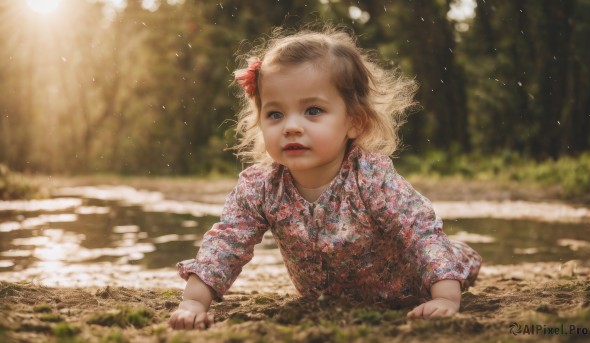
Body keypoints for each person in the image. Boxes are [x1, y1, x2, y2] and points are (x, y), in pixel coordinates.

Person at [168, 25, 481, 330]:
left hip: (410, 287)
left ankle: (458, 258)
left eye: (313, 110)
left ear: (354, 122)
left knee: (447, 255)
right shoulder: (260, 187)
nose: (291, 126)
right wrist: (194, 302)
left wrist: (445, 297)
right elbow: (226, 243)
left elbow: (418, 229)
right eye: (275, 114)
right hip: (326, 300)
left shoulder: (371, 177)